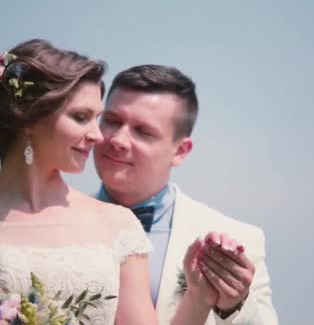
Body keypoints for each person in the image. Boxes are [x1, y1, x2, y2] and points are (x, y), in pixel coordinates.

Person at [0, 40, 210, 325]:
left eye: (98, 119)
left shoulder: (119, 226)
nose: (98, 136)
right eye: (81, 117)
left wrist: (199, 296)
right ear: (28, 116)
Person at [93, 64, 279, 324]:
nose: (118, 140)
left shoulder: (239, 238)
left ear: (180, 151)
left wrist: (233, 305)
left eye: (143, 131)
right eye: (111, 121)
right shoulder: (47, 222)